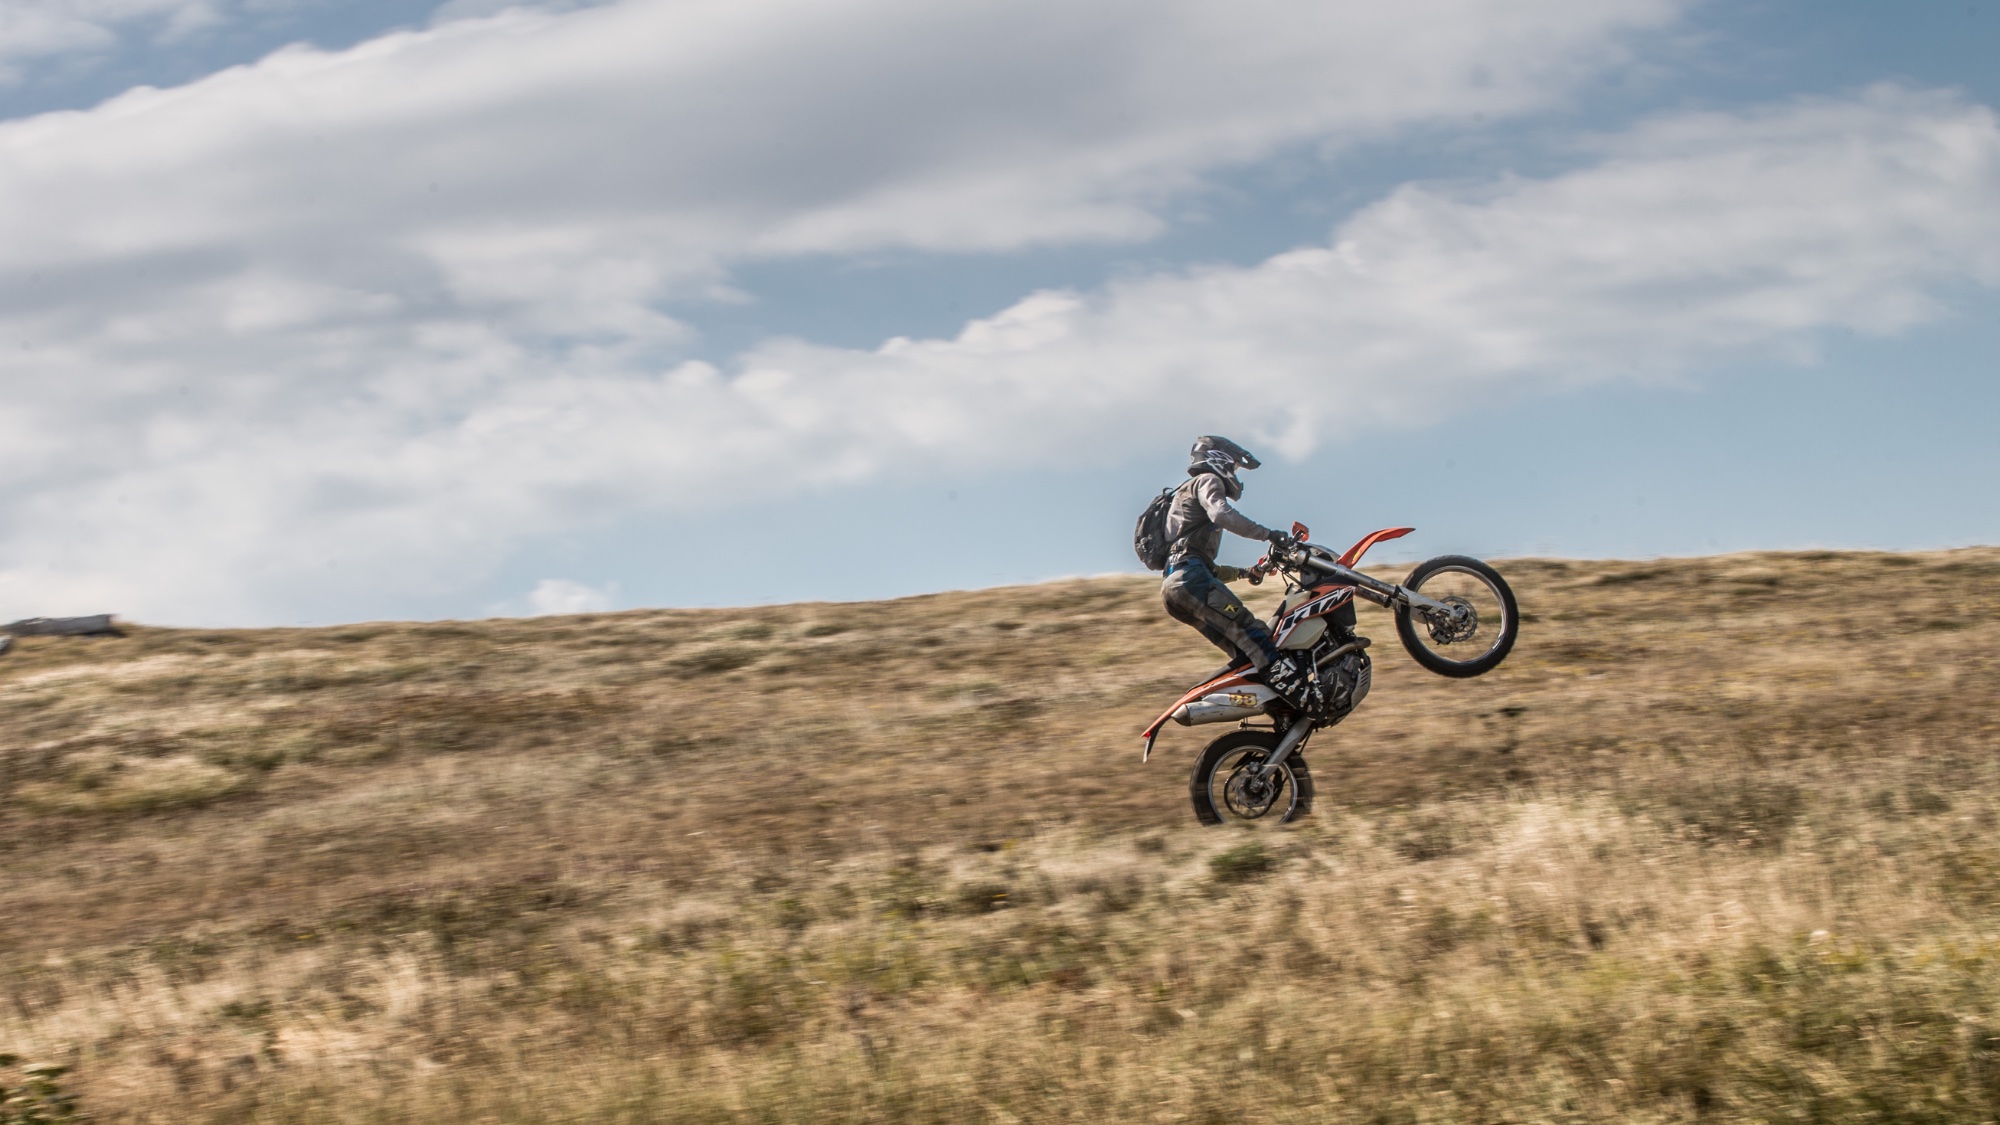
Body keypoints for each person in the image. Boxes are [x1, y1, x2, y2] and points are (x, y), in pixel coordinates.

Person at [1159, 435, 1317, 710]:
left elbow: (1205, 570)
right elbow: (1221, 515)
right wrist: (1269, 535)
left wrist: (1246, 573)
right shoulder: (1208, 480)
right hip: (1190, 579)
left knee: (1245, 655)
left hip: (1175, 588)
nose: (1233, 473)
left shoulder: (1185, 496)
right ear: (1219, 459)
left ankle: (1275, 708)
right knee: (1253, 632)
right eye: (1233, 466)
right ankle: (1304, 698)